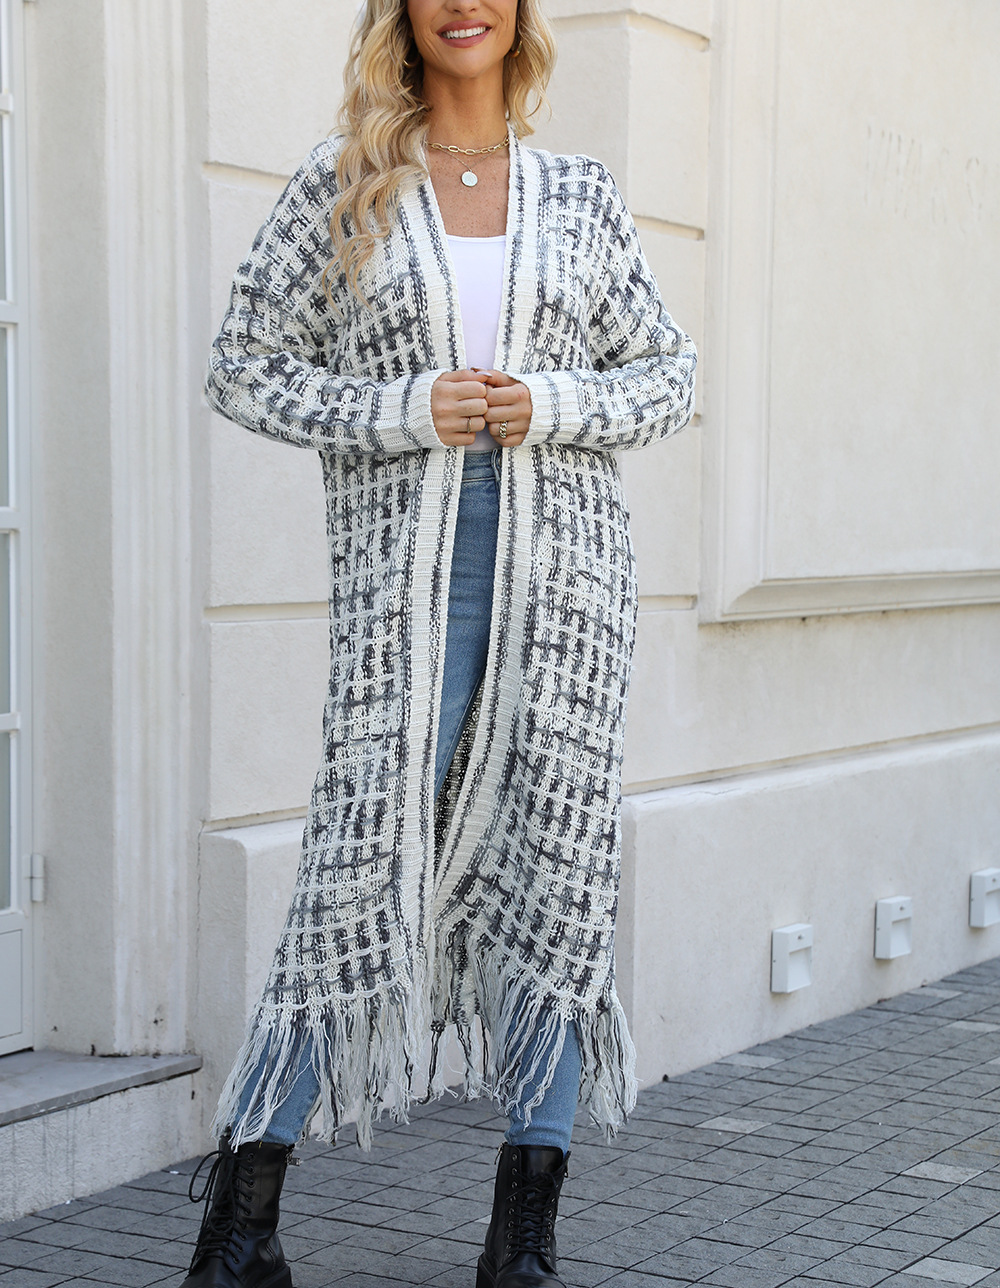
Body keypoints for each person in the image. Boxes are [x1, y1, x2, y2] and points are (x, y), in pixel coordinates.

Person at [182, 1, 696, 1285]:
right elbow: (243, 365)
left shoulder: (578, 195)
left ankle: (522, 1237)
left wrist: (550, 402)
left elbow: (667, 375)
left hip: (567, 594)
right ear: (401, 13)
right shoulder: (344, 182)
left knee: (559, 879)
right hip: (405, 600)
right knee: (351, 873)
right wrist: (406, 409)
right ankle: (241, 1225)